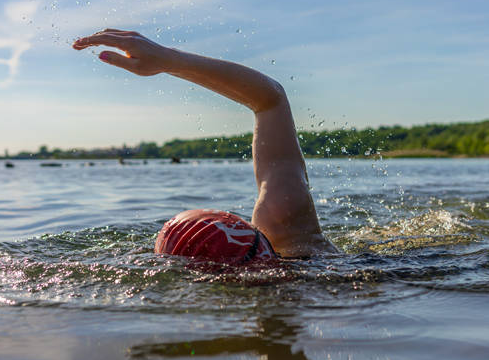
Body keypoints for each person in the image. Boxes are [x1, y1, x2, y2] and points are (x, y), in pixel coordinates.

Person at [73, 29, 339, 263]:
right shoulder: (292, 235)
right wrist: (168, 59)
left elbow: (270, 101)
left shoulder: (290, 238)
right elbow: (271, 100)